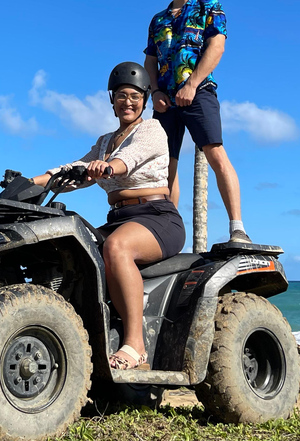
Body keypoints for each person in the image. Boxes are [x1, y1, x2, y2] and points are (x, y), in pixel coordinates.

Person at [33, 62, 186, 370]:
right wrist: (29, 182)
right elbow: (72, 170)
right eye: (120, 96)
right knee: (71, 250)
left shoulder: (152, 130)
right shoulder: (104, 142)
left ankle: (135, 345)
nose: (127, 101)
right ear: (112, 101)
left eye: (133, 95)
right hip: (119, 219)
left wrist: (108, 167)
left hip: (157, 217)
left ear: (143, 99)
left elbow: (129, 159)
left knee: (116, 247)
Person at [144, 0, 252, 243]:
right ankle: (166, 232)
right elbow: (151, 60)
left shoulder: (209, 7)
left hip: (199, 90)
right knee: (165, 163)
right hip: (164, 99)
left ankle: (237, 228)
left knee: (215, 152)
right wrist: (155, 92)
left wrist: (192, 84)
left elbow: (217, 46)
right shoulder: (157, 19)